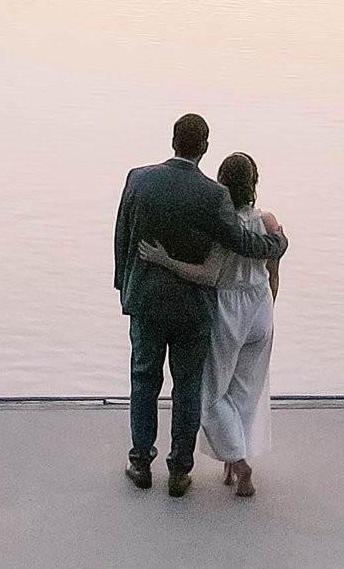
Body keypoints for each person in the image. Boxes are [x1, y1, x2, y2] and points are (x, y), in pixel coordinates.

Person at [113, 113, 289, 496]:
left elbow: (122, 236)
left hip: (145, 299)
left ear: (172, 139)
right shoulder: (213, 196)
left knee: (144, 379)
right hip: (193, 307)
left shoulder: (137, 179)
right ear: (204, 147)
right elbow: (243, 243)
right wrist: (279, 244)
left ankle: (140, 462)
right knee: (188, 386)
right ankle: (179, 470)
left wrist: (123, 288)